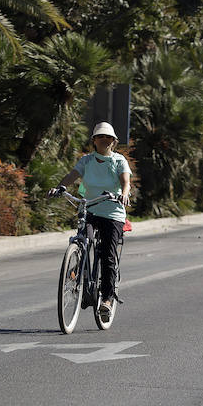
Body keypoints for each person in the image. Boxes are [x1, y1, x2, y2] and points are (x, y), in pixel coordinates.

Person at [52, 122, 132, 321]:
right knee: (81, 240)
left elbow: (125, 181)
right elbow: (73, 175)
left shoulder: (119, 160)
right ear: (94, 141)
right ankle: (77, 271)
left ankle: (106, 299)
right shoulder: (86, 161)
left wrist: (123, 194)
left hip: (112, 213)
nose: (104, 140)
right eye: (100, 137)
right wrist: (60, 187)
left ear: (113, 142)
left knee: (107, 255)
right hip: (90, 209)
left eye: (108, 137)